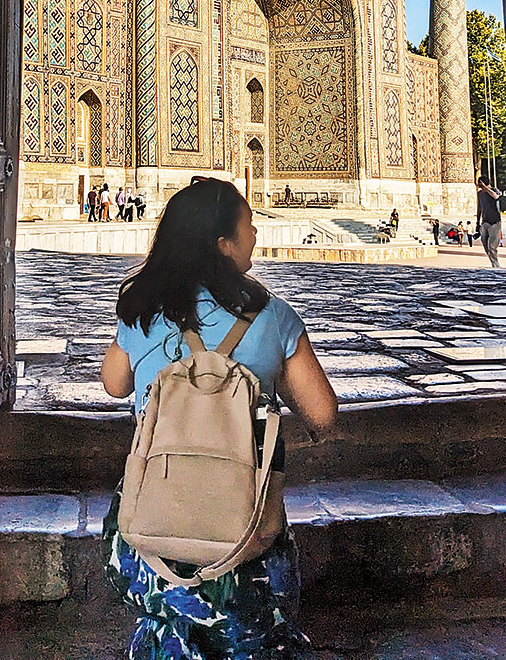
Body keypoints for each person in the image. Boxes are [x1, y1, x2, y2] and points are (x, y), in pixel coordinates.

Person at [100, 178, 337, 657]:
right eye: (249, 227)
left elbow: (114, 384)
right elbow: (323, 414)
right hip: (246, 543)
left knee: (167, 622)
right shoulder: (272, 316)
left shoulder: (141, 311)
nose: (256, 237)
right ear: (223, 244)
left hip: (150, 550)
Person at [477, 175, 502, 267]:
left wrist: (486, 188)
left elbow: (496, 197)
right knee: (485, 243)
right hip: (485, 221)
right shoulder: (480, 194)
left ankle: (495, 265)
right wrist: (477, 222)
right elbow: (479, 207)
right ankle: (493, 261)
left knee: (492, 246)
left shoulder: (495, 190)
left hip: (495, 222)